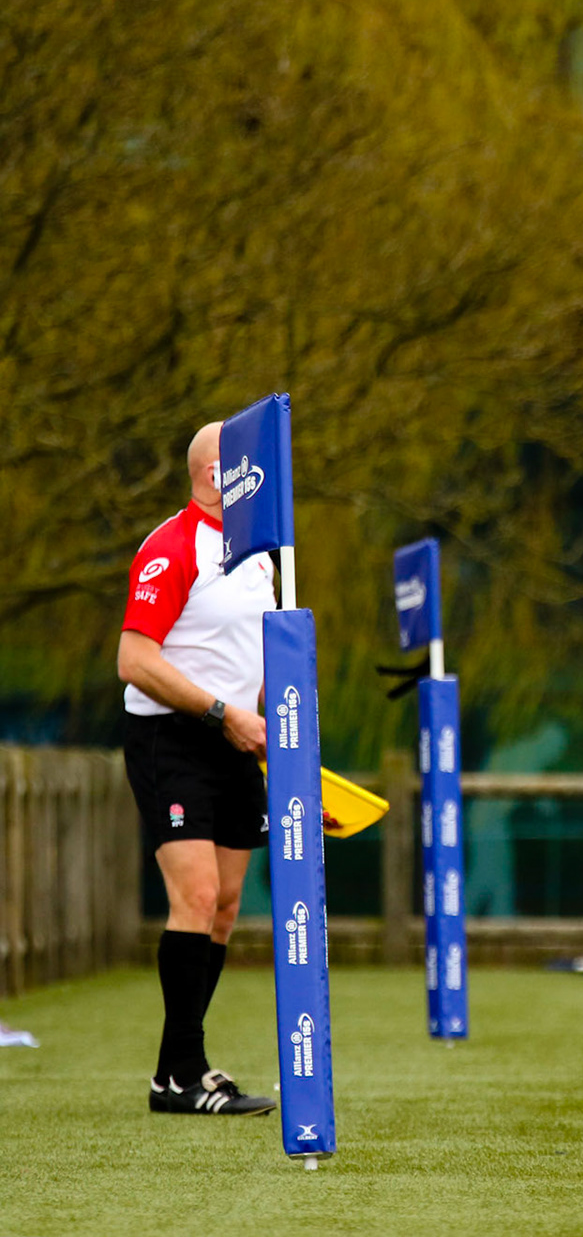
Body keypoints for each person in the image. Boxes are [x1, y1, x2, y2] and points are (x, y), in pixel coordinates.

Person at [116, 421, 277, 1115]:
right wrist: (221, 713)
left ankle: (177, 1068)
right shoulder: (171, 546)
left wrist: (275, 726)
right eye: (250, 466)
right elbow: (135, 659)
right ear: (215, 472)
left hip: (237, 742)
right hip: (171, 739)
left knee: (226, 905)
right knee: (198, 894)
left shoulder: (262, 557)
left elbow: (257, 657)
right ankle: (183, 1074)